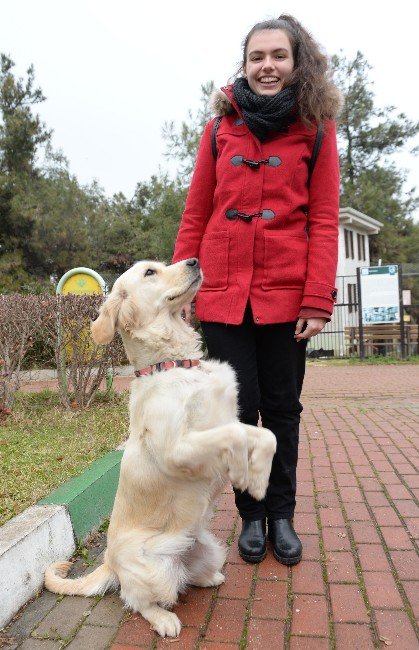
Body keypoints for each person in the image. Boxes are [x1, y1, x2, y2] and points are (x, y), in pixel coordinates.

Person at [172, 14, 341, 565]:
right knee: (236, 413)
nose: (267, 66)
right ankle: (251, 515)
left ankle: (283, 515)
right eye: (256, 57)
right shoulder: (221, 128)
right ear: (244, 65)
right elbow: (197, 211)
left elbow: (323, 218)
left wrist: (318, 298)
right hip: (222, 295)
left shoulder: (316, 129)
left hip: (287, 299)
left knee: (283, 409)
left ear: (297, 63)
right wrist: (179, 291)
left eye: (278, 56)